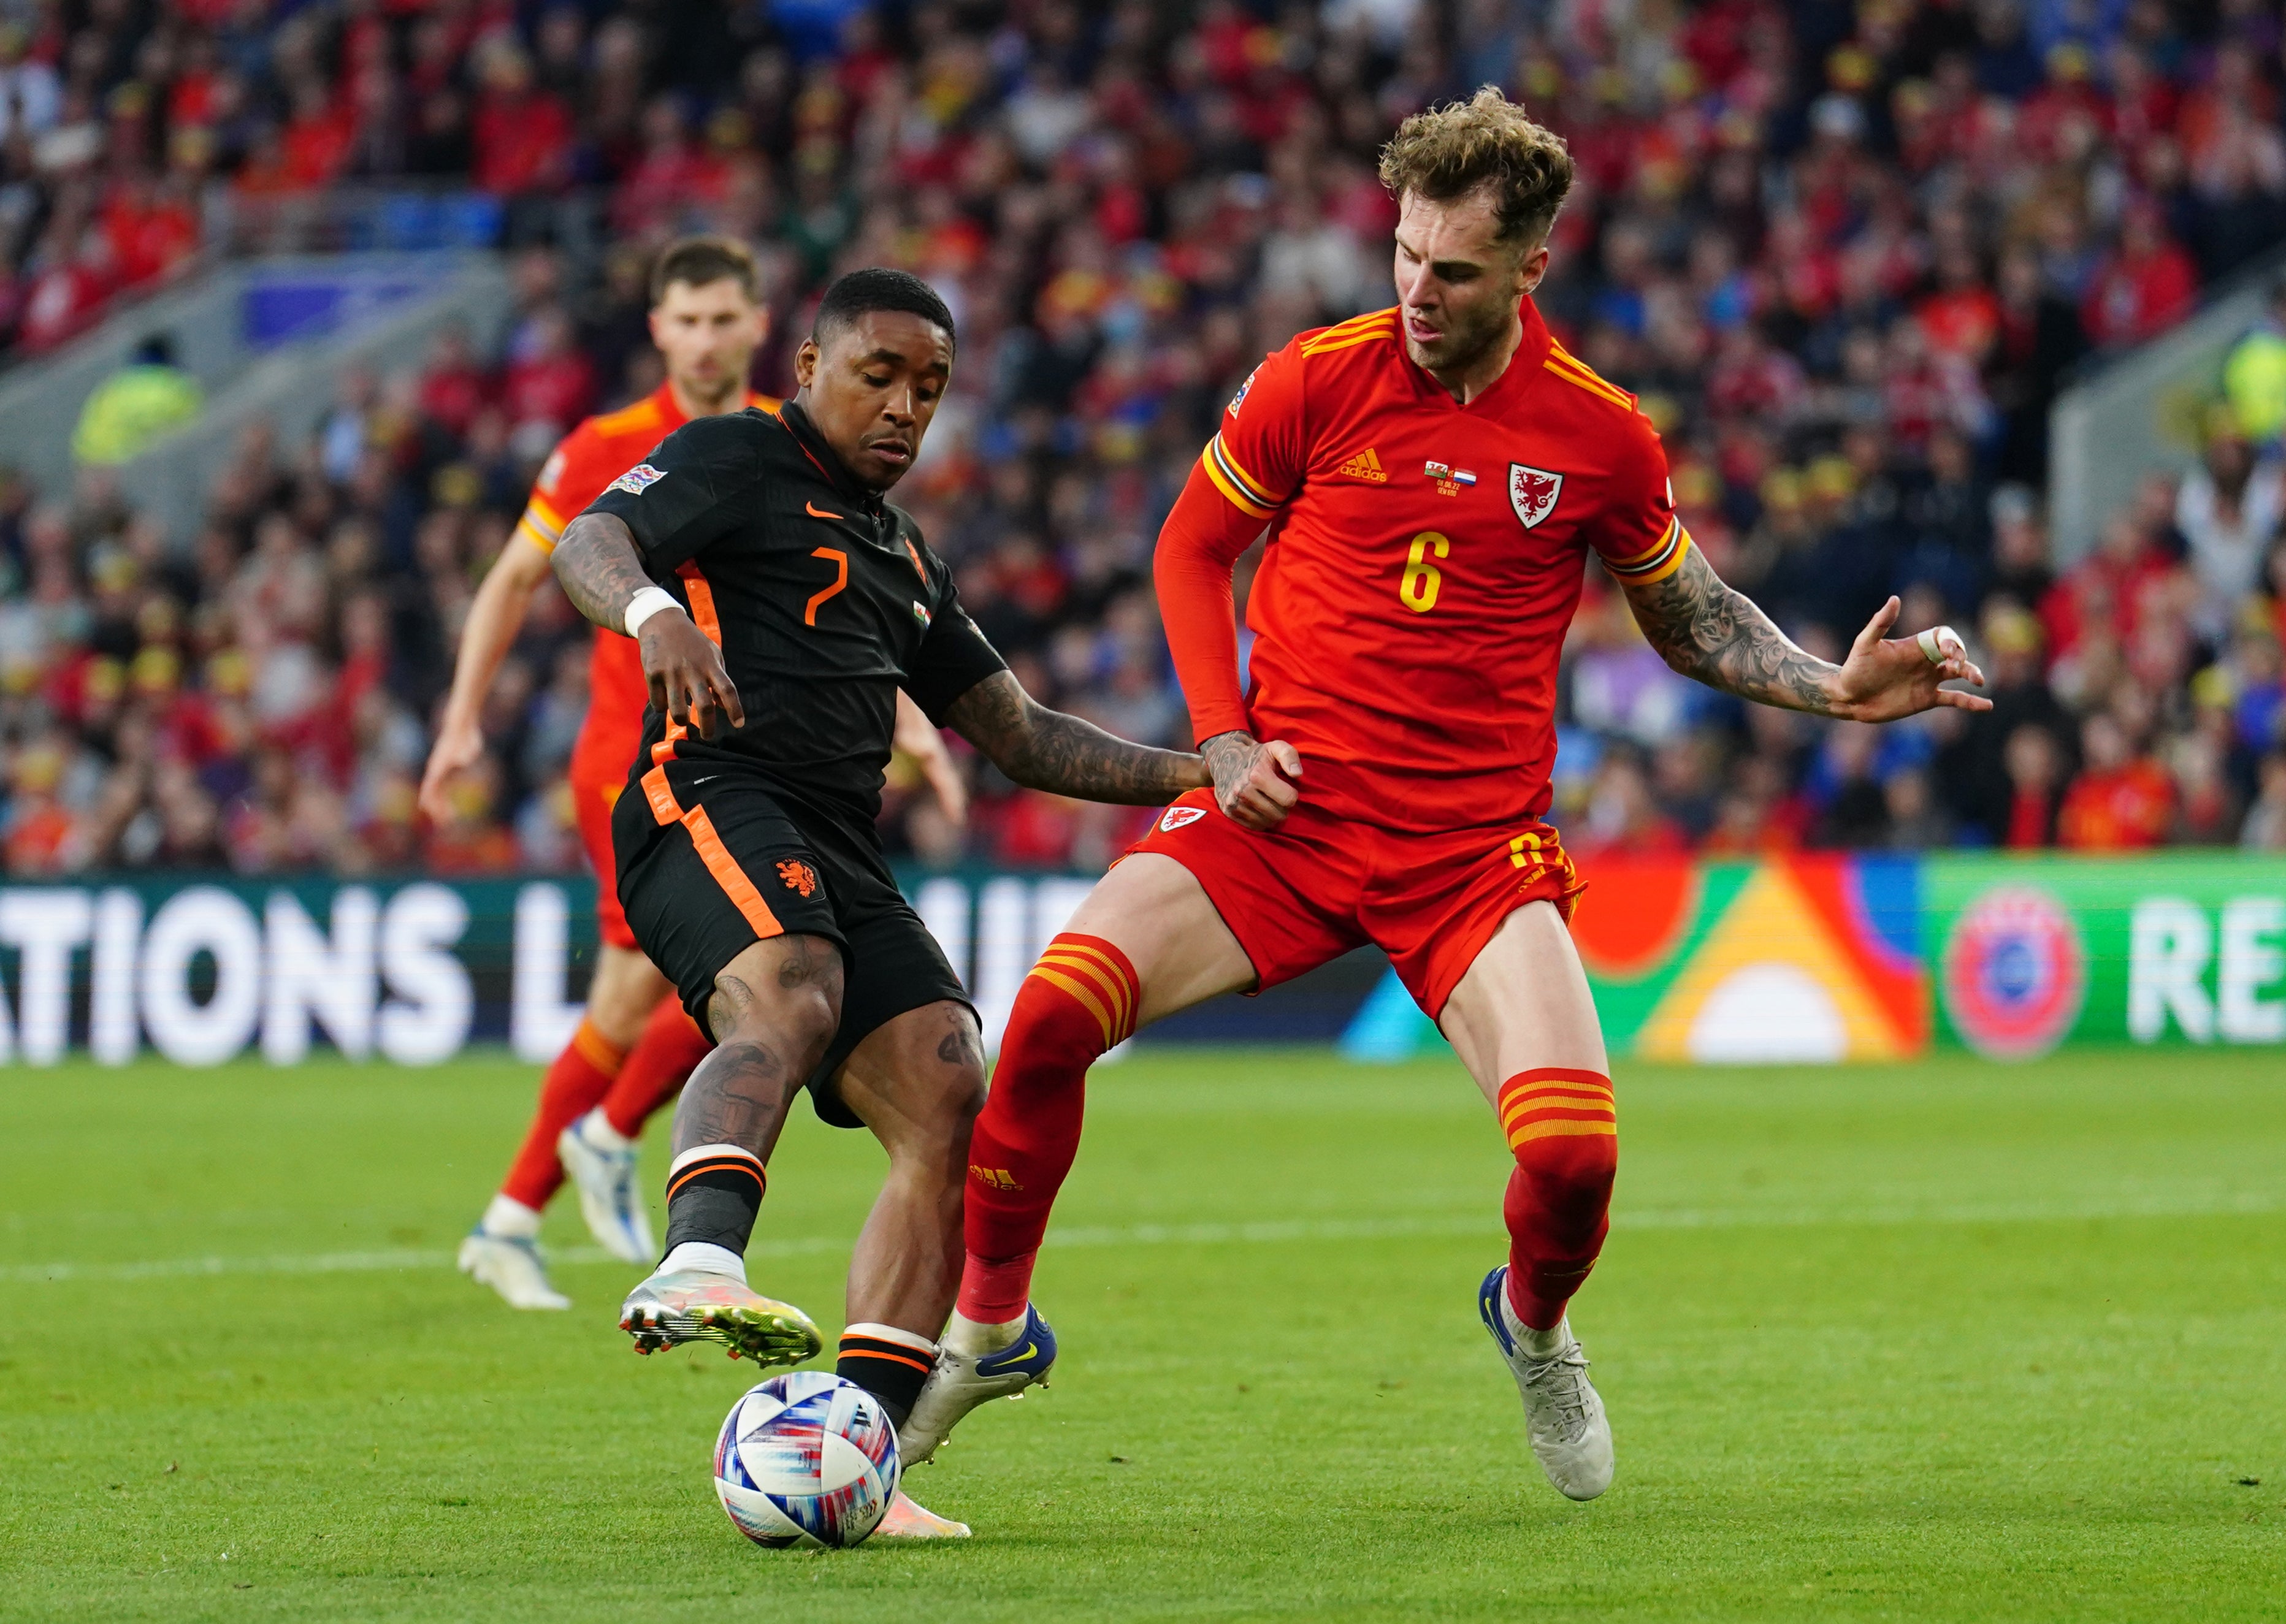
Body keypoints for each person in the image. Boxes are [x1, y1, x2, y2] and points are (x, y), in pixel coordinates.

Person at [900, 90, 1990, 1502]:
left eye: (1455, 269)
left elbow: (1690, 614)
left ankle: (1532, 1322)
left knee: (1574, 1163)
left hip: (1472, 852)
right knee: (1045, 1019)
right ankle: (989, 1323)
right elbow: (1188, 552)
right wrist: (1222, 740)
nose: (1418, 289)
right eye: (1405, 254)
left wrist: (1831, 691)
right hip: (1282, 820)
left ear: (1529, 271)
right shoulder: (1315, 377)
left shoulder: (1597, 434)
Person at [547, 267, 1206, 1501]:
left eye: (932, 389)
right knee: (789, 988)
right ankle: (695, 1262)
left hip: (841, 842)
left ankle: (867, 1455)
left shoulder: (904, 555)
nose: (906, 407)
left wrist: (1203, 769)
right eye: (880, 375)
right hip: (710, 792)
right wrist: (652, 616)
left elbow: (1019, 733)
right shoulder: (739, 457)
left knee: (951, 1089)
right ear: (809, 367)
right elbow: (592, 536)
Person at [422, 239, 962, 1314]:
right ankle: (592, 1152)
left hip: (776, 764)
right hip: (656, 759)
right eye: (689, 320)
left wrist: (918, 721)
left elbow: (841, 617)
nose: (709, 338)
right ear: (659, 329)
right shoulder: (613, 447)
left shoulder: (803, 442)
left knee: (701, 991)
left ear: (766, 332)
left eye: (727, 318)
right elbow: (526, 573)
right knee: (725, 979)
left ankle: (533, 1195)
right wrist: (461, 718)